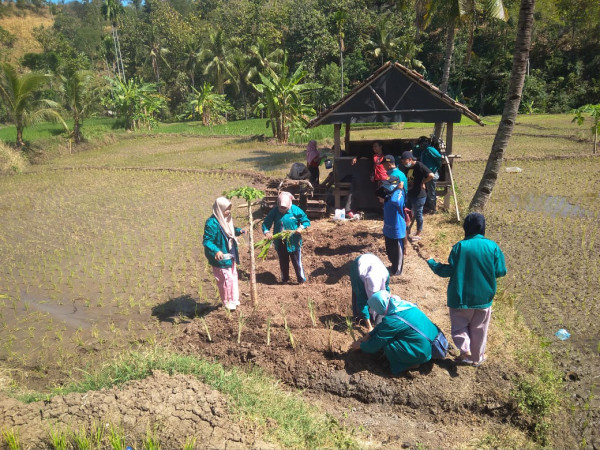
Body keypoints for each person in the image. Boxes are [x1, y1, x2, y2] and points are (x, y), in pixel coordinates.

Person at [427, 213, 506, 366]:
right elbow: (501, 271)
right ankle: (476, 358)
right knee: (479, 329)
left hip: (459, 297)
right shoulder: (493, 247)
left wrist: (432, 263)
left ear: (466, 227)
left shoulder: (460, 247)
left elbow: (448, 270)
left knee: (460, 326)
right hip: (483, 298)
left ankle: (465, 350)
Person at [350, 290, 441, 375]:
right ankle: (413, 357)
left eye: (374, 308)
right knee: (390, 337)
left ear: (380, 306)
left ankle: (411, 364)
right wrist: (369, 335)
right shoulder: (402, 306)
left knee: (388, 344)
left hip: (422, 351)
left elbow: (375, 344)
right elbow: (383, 326)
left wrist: (360, 346)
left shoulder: (393, 321)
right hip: (432, 341)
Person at [203, 197, 246, 311]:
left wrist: (239, 231)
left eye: (229, 209)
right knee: (225, 280)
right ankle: (227, 302)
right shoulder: (212, 223)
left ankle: (234, 299)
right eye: (226, 209)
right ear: (219, 209)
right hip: (220, 257)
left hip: (230, 253)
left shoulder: (226, 219)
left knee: (233, 277)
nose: (228, 211)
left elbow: (230, 230)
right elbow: (207, 241)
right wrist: (216, 250)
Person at [262, 191, 311, 284]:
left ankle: (301, 280)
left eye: (284, 207)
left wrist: (301, 227)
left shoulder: (296, 210)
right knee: (283, 262)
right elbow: (266, 223)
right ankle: (284, 279)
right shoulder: (275, 211)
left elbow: (306, 221)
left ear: (289, 204)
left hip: (294, 241)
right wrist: (267, 232)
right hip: (280, 241)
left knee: (297, 262)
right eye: (281, 207)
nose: (282, 209)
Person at [350, 253, 390, 332]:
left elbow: (387, 293)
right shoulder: (360, 278)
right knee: (358, 294)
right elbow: (362, 301)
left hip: (372, 261)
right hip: (358, 266)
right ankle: (359, 317)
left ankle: (375, 316)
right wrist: (369, 326)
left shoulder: (385, 275)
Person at [400, 151, 434, 241]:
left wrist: (423, 182)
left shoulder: (419, 166)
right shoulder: (407, 167)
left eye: (404, 161)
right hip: (410, 194)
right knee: (407, 212)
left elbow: (431, 175)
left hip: (419, 195)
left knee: (418, 214)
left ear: (410, 160)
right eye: (402, 162)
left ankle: (419, 232)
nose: (403, 163)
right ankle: (407, 230)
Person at [381, 175, 407, 276]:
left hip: (397, 229)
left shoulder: (398, 194)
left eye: (388, 185)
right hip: (388, 228)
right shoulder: (389, 193)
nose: (385, 187)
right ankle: (392, 266)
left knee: (397, 254)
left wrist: (400, 189)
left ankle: (397, 271)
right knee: (390, 252)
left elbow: (395, 201)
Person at [419, 142, 443, 213]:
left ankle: (432, 209)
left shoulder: (430, 149)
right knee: (428, 191)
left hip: (432, 174)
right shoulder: (424, 150)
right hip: (427, 174)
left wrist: (437, 166)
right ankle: (428, 207)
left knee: (431, 192)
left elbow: (438, 157)